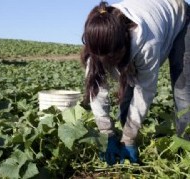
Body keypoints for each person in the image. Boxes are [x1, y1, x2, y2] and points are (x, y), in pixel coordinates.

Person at [81, 0, 190, 165]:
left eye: (112, 58)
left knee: (183, 90)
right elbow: (97, 90)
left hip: (179, 16)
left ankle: (186, 148)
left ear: (124, 44)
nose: (109, 63)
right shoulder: (97, 45)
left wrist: (129, 137)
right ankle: (122, 140)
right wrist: (106, 133)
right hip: (151, 16)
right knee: (127, 86)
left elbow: (144, 91)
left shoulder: (147, 44)